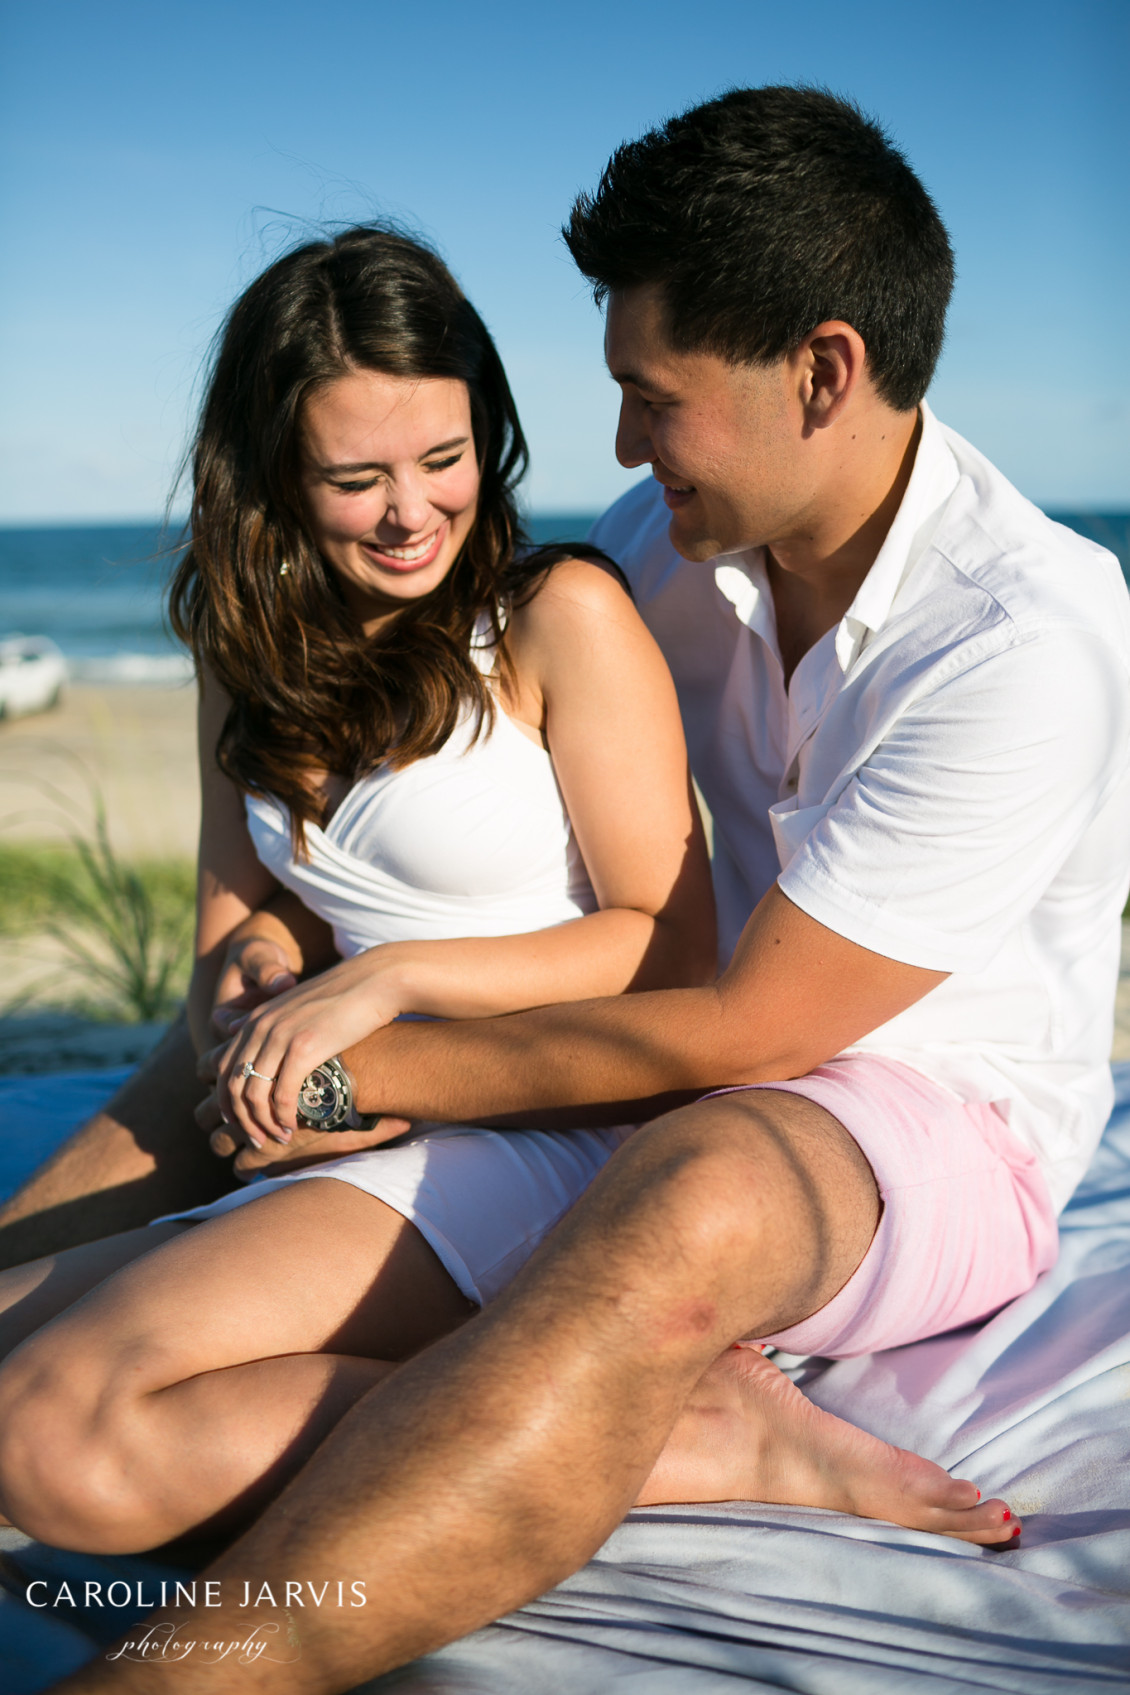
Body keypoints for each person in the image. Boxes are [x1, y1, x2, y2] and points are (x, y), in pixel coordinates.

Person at [13, 83, 1130, 1692]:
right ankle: (638, 1413)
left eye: (652, 395)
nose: (614, 443)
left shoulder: (1021, 633)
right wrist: (281, 981)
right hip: (629, 1066)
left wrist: (364, 1068)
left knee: (695, 1185)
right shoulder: (660, 546)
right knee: (133, 1223)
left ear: (822, 371)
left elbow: (747, 1022)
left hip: (908, 1118)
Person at [0, 224, 716, 1550]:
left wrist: (386, 978)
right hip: (334, 1117)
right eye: (355, 477)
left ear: (485, 436)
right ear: (274, 471)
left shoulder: (556, 616)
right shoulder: (243, 638)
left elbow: (668, 952)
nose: (411, 512)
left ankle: (684, 1438)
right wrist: (258, 993)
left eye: (443, 460)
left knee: (45, 1433)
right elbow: (238, 925)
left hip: (545, 1131)